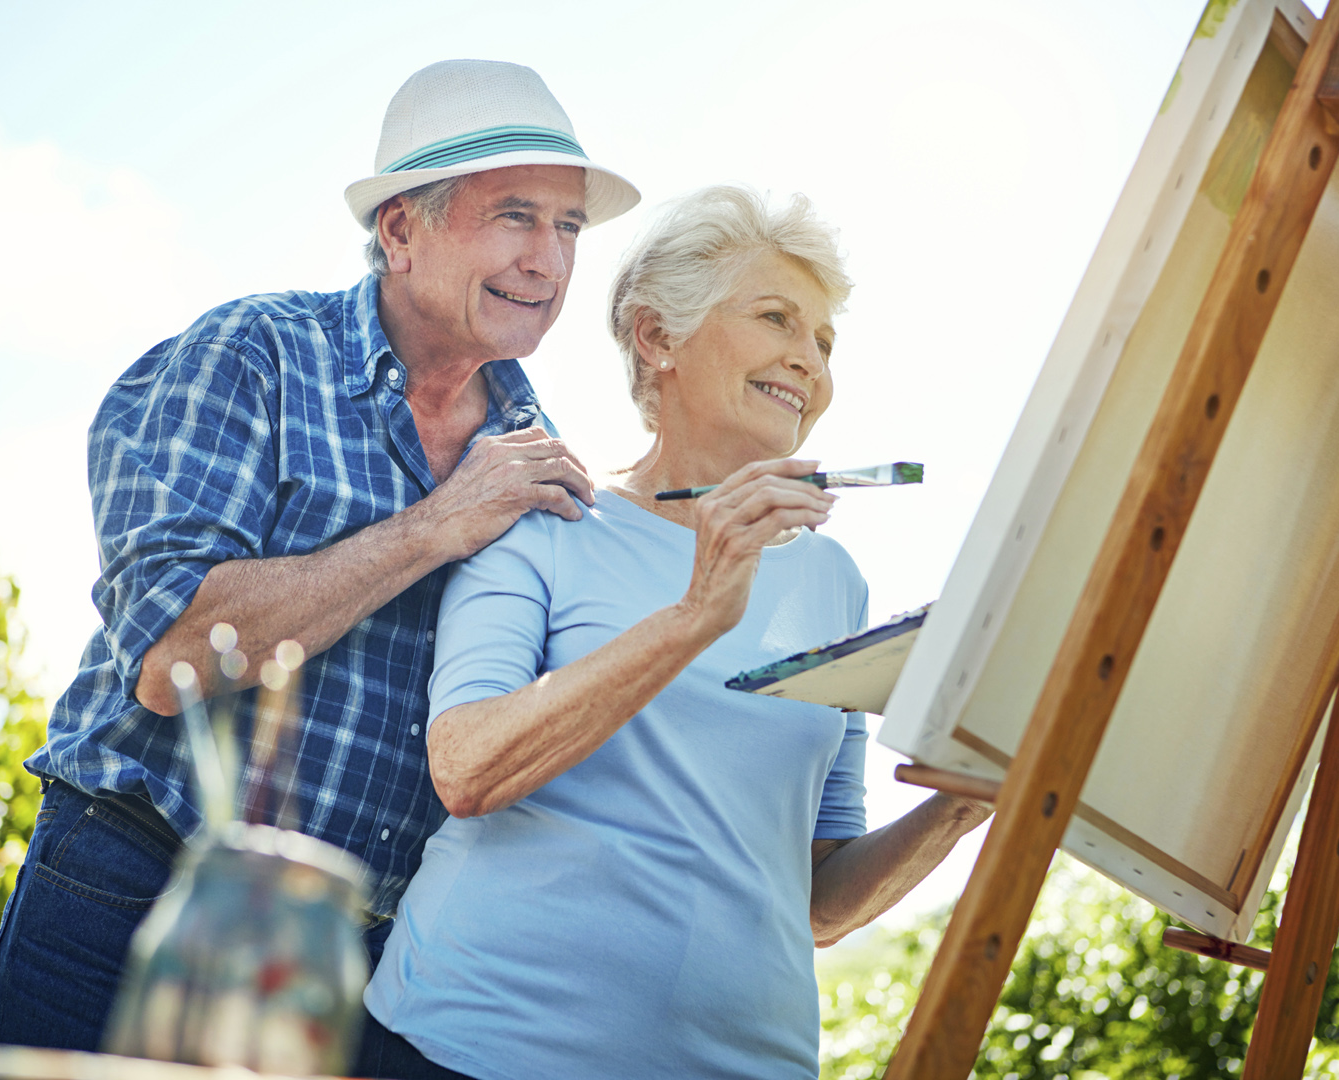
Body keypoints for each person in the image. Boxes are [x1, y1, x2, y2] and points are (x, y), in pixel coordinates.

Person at [0, 59, 639, 1052]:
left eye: (569, 226)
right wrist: (432, 528)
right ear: (400, 231)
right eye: (514, 216)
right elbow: (175, 660)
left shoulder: (538, 465)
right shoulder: (251, 355)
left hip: (343, 954)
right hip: (138, 885)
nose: (549, 260)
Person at [358, 187, 991, 1080]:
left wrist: (968, 798)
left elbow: (816, 901)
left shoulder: (835, 583)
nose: (807, 360)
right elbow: (466, 767)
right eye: (777, 318)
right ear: (657, 339)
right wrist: (695, 615)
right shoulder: (545, 522)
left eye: (823, 341)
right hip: (471, 1050)